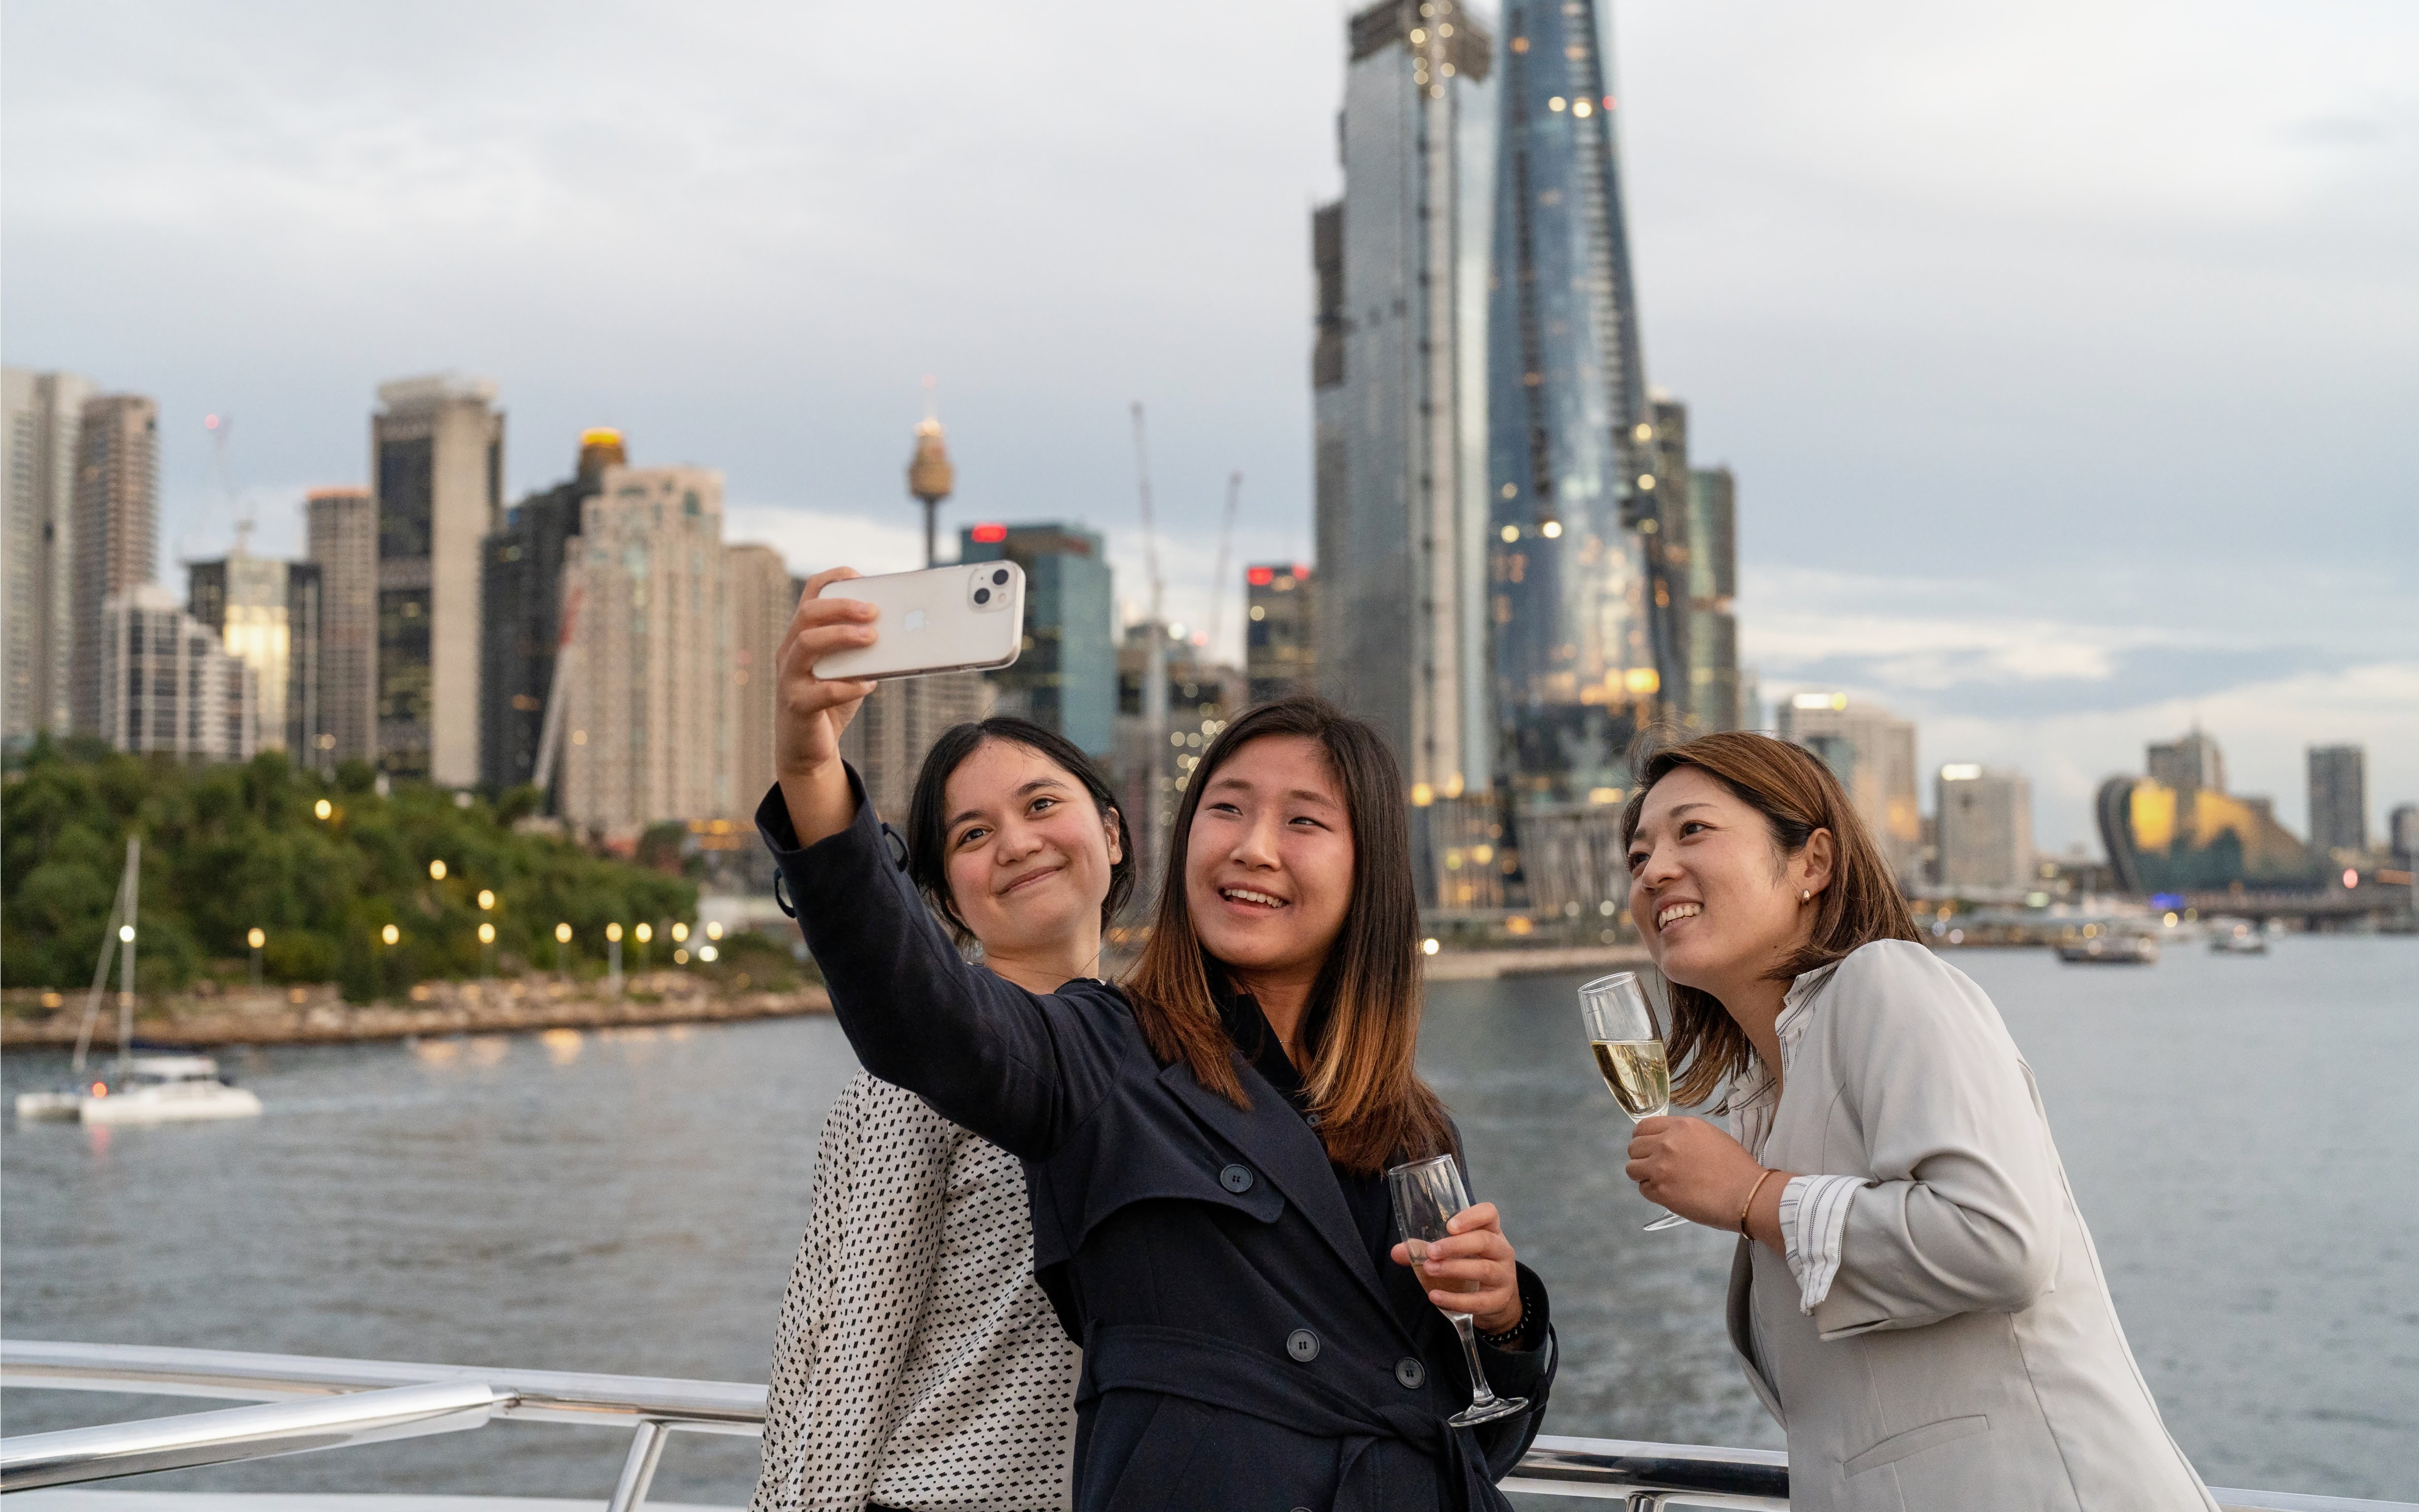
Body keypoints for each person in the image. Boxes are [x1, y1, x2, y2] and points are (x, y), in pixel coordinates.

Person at [759, 568, 1555, 1512]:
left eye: (1303, 820)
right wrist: (811, 772)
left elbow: (1466, 1431)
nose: (1254, 846)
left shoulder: (1408, 1126)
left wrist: (1505, 1316)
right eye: (1225, 808)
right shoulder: (1103, 1050)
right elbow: (922, 1017)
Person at [1617, 730, 2217, 1512]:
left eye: (1690, 831)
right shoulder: (1764, 1095)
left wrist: (1752, 1196)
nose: (1654, 869)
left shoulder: (1884, 980)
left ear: (1813, 863)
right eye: (1636, 856)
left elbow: (2000, 1238)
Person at [753, 715, 1132, 1512]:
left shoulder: (1169, 1049)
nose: (1017, 843)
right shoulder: (916, 1079)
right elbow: (847, 1347)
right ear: (942, 896)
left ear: (1111, 830)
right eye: (972, 833)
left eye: (1040, 805)